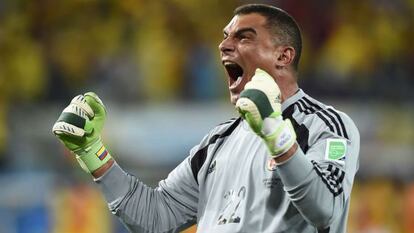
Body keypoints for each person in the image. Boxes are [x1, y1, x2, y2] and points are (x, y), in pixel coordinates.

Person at [52, 4, 360, 233]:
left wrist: (275, 133)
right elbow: (156, 217)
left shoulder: (326, 126)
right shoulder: (217, 142)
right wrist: (94, 154)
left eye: (244, 37)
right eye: (226, 37)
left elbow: (327, 212)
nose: (224, 45)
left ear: (283, 56)